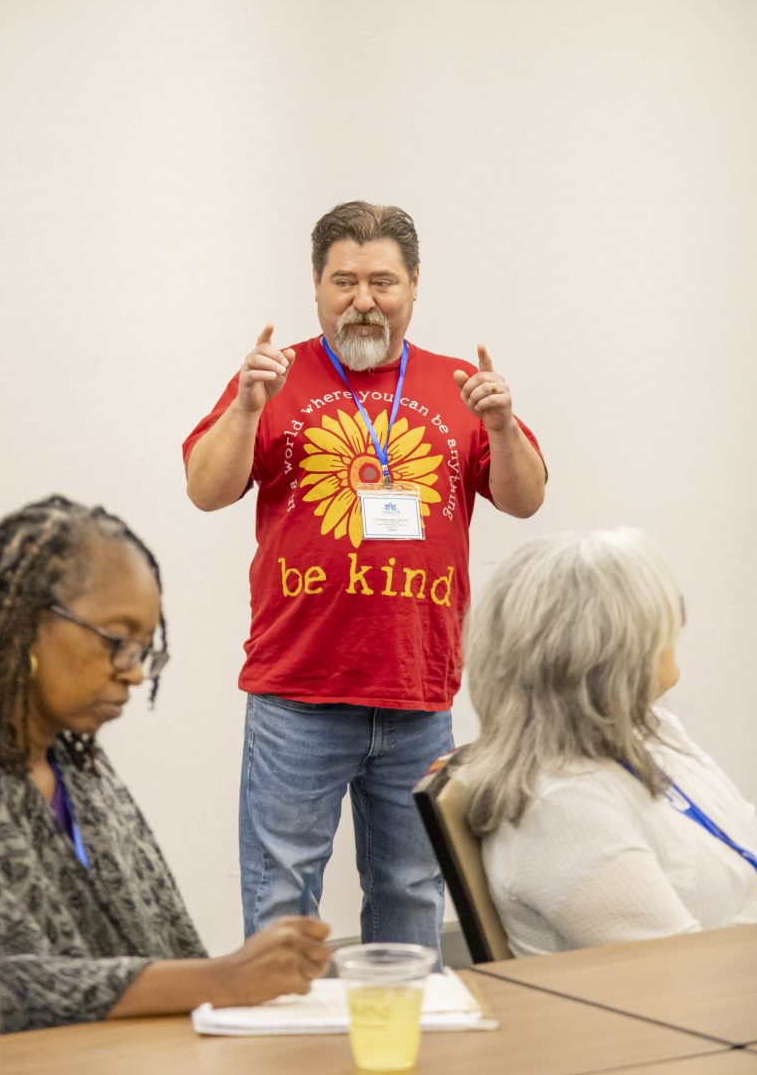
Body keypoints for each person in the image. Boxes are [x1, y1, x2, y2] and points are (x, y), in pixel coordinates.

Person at [183, 200, 546, 955]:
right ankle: (282, 1032)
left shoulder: (457, 383)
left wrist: (503, 426)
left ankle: (402, 1031)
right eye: (344, 281)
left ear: (413, 284)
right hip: (297, 693)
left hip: (418, 691)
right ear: (317, 287)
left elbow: (525, 499)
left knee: (412, 892)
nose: (363, 300)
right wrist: (246, 409)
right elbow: (206, 490)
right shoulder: (273, 380)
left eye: (382, 281)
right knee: (281, 897)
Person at [0, 496, 331, 1033]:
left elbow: (159, 937)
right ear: (24, 622)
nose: (134, 674)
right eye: (118, 641)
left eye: (143, 650)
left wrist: (235, 983)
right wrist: (220, 979)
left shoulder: (80, 771)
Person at [462, 528, 757, 956]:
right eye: (662, 615)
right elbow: (679, 970)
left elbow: (745, 832)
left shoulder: (649, 729)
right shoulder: (560, 808)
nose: (678, 621)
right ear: (610, 649)